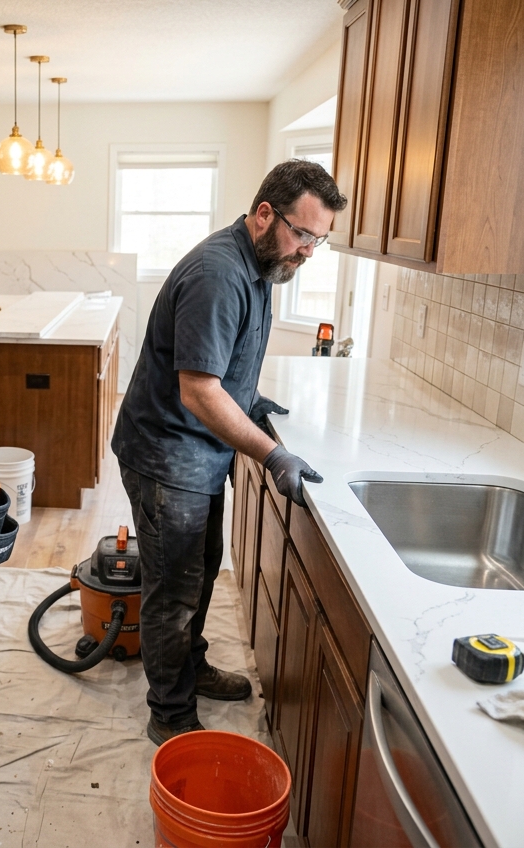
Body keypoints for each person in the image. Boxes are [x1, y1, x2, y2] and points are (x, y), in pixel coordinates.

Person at [111, 159, 347, 746]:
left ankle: (189, 668)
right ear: (265, 213)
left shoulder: (260, 263)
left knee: (197, 570)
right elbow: (198, 390)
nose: (308, 252)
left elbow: (219, 364)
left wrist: (252, 397)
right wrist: (272, 454)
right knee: (173, 592)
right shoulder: (220, 273)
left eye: (319, 240)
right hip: (168, 456)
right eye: (303, 234)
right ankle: (169, 712)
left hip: (196, 453)